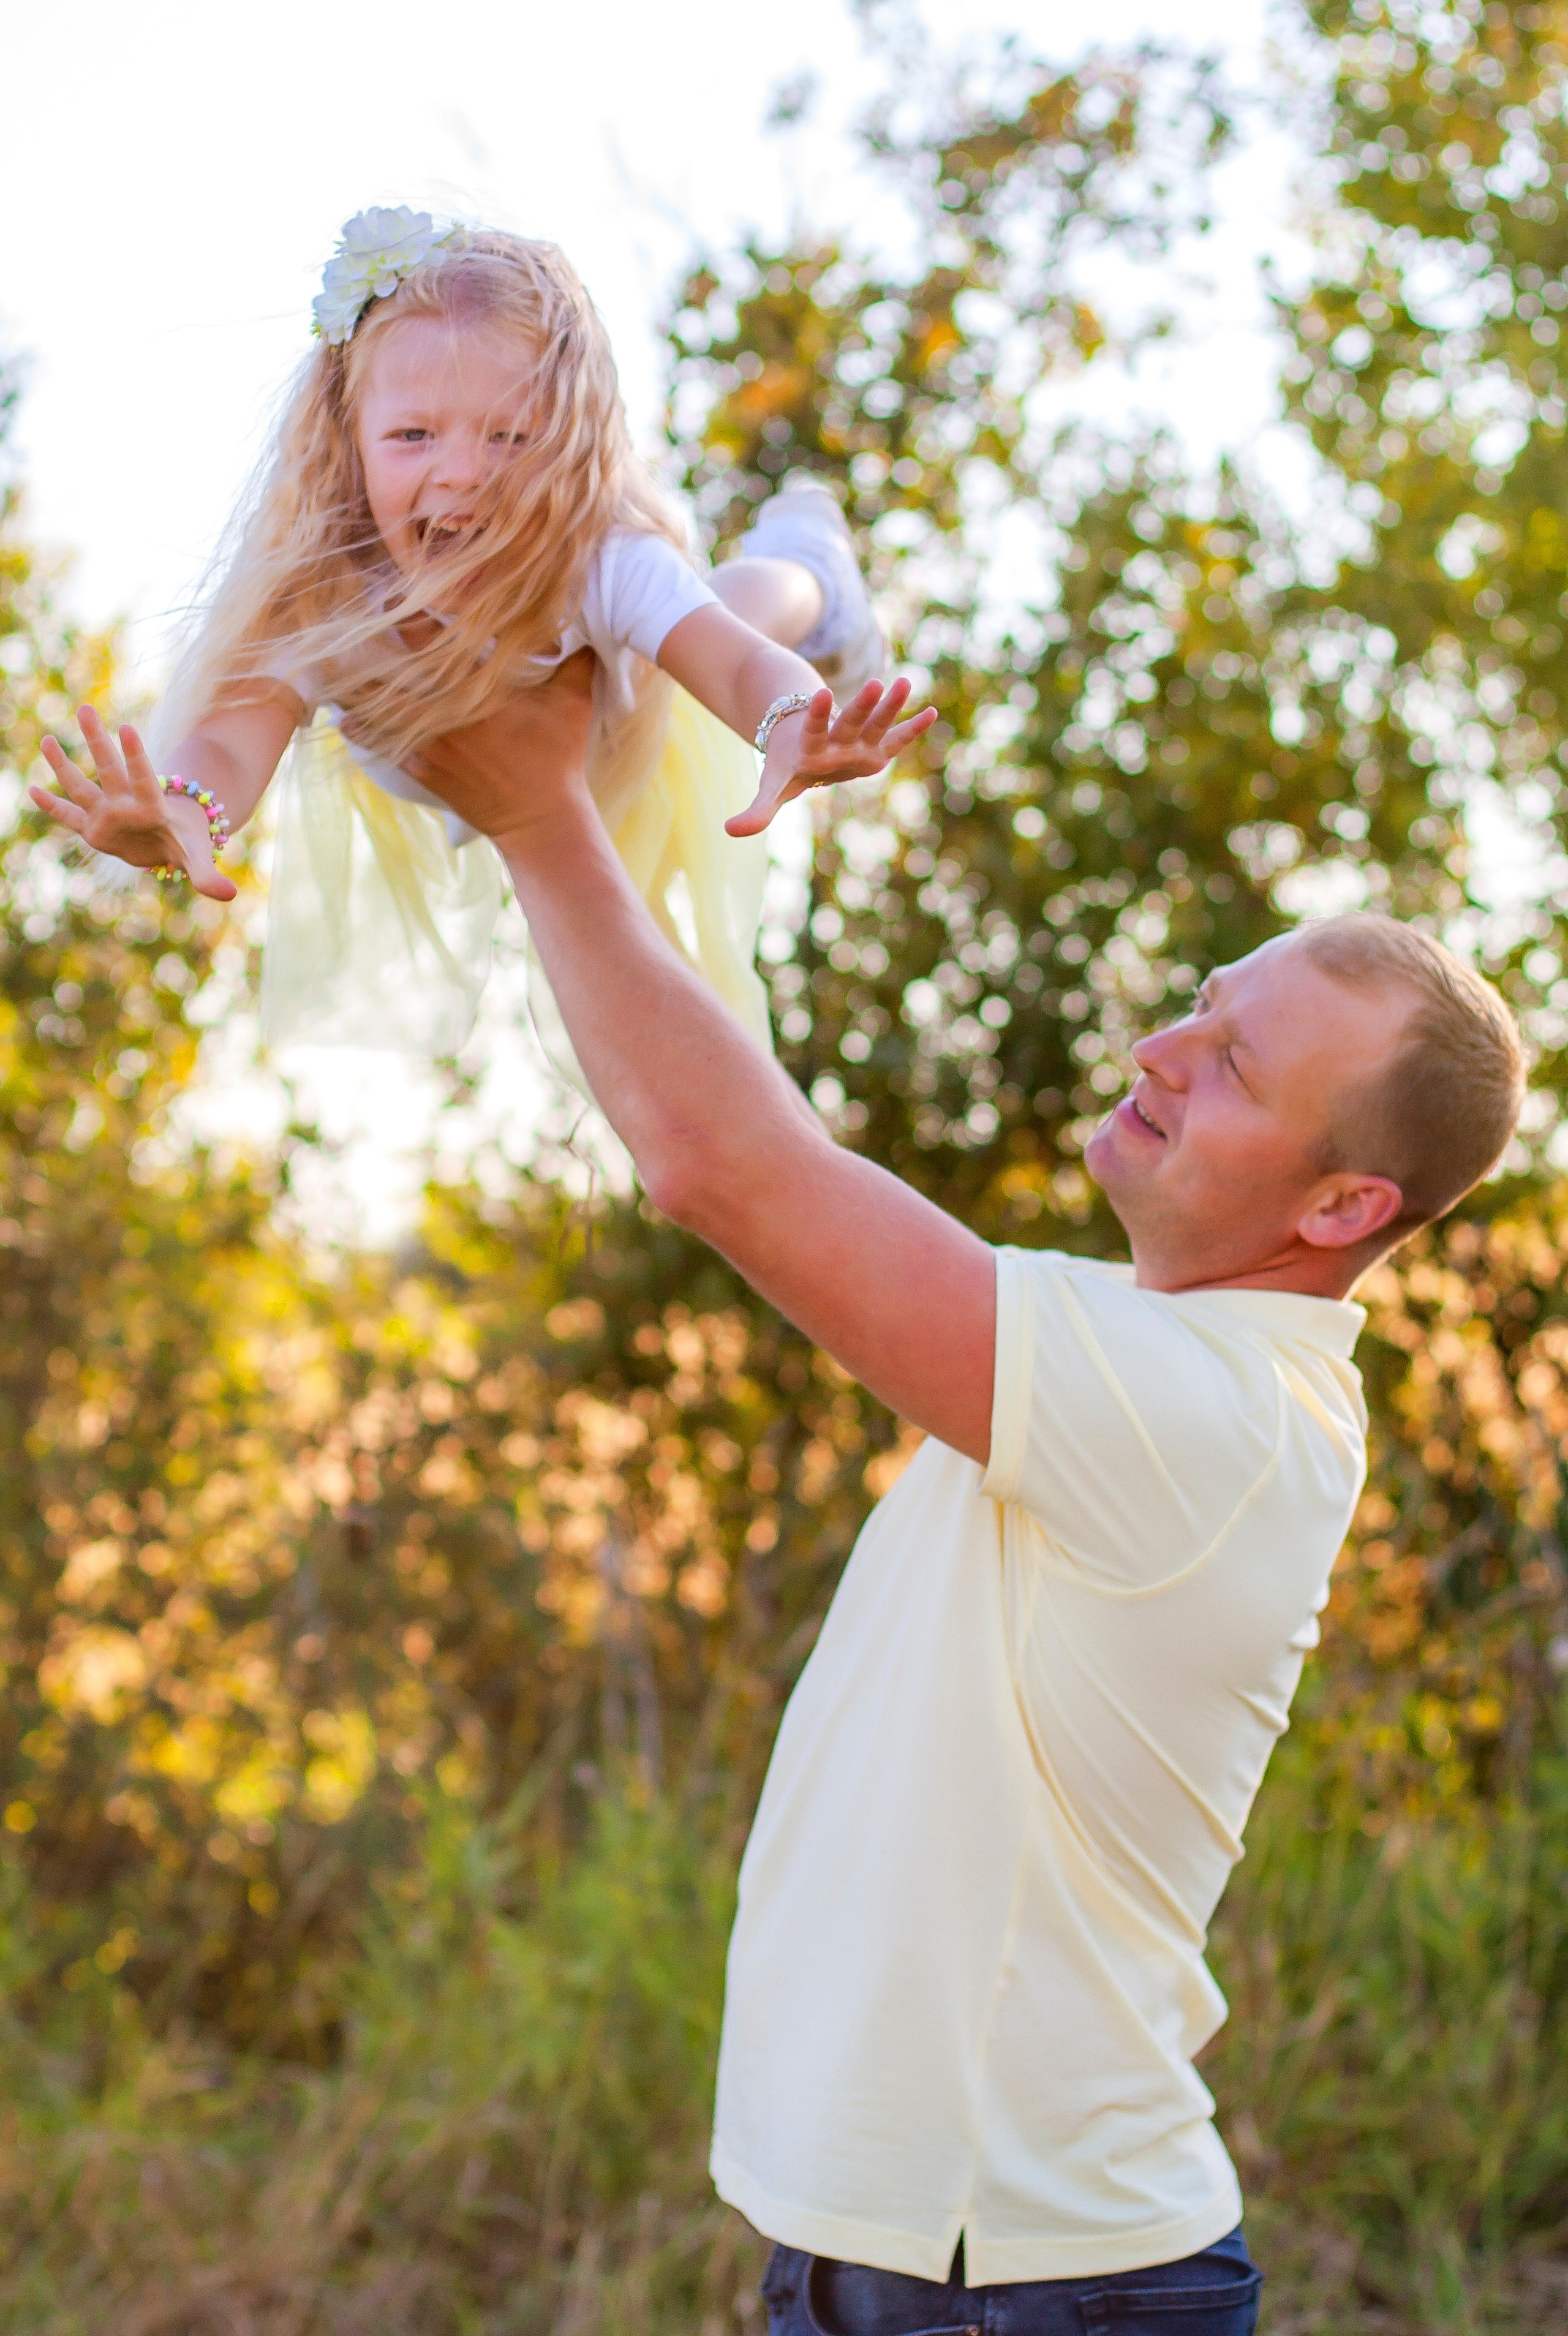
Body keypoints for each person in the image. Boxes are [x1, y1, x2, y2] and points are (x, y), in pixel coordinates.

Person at [401, 650, 1526, 2335]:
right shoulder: (1134, 1354)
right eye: (1203, 1002)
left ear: (1344, 1201)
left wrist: (542, 818)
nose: (1160, 1045)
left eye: (1230, 1064)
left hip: (1020, 2282)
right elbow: (739, 1103)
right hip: (952, 2263)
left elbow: (728, 1162)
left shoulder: (1199, 1413)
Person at [29, 209, 932, 1057]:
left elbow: (739, 668)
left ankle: (812, 560)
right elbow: (232, 736)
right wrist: (187, 810)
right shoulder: (325, 588)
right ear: (349, 440)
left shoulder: (598, 555)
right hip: (486, 765)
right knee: (707, 608)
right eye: (414, 434)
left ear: (568, 440)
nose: (462, 473)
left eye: (509, 436)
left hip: (625, 729)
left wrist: (792, 720)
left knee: (731, 607)